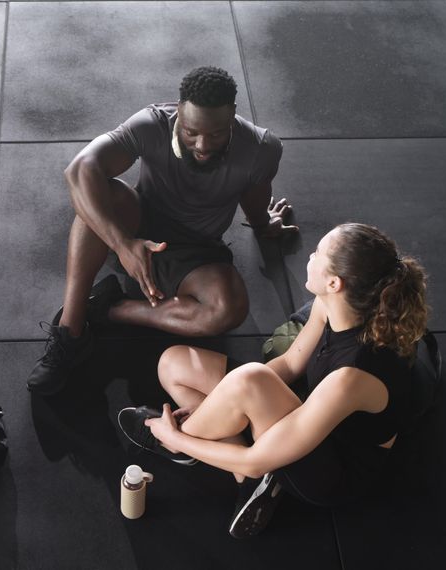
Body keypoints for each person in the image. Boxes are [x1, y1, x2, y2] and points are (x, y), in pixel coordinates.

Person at [118, 223, 430, 538]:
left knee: (249, 383)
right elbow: (291, 363)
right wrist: (224, 400)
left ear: (334, 283)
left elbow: (252, 461)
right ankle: (244, 472)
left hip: (333, 467)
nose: (310, 256)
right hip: (309, 406)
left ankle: (172, 443)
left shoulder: (353, 376)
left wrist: (177, 438)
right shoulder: (331, 304)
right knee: (173, 364)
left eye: (317, 253)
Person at [27, 66, 297, 395]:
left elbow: (254, 197)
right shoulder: (152, 124)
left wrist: (263, 224)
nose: (202, 145)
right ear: (179, 110)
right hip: (138, 223)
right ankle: (71, 329)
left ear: (232, 116)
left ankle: (109, 309)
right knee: (97, 192)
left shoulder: (260, 149)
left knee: (228, 309)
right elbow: (79, 169)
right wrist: (123, 245)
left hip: (197, 250)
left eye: (216, 134)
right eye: (191, 132)